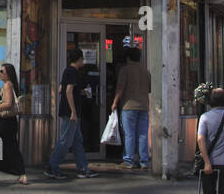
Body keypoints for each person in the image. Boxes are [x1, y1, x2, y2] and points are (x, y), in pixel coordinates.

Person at [44, 47, 97, 179]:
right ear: (79, 59)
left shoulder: (67, 71)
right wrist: (73, 111)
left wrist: (80, 92)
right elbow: (67, 91)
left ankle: (83, 168)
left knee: (77, 140)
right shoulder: (73, 72)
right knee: (65, 141)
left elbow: (62, 89)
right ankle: (52, 166)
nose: (83, 62)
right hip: (71, 112)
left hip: (67, 111)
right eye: (82, 59)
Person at [110, 45, 151, 170]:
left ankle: (129, 160)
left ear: (128, 58)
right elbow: (150, 88)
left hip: (129, 106)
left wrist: (115, 102)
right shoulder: (146, 71)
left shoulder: (125, 70)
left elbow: (120, 87)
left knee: (129, 134)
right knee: (143, 134)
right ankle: (144, 161)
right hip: (144, 105)